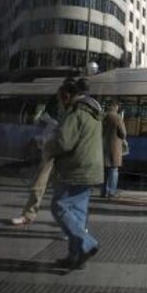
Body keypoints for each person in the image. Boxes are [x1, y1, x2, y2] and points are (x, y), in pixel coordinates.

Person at [45, 77, 103, 270]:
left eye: (60, 97)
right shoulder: (93, 112)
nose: (60, 101)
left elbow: (63, 142)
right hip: (91, 168)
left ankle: (87, 244)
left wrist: (45, 144)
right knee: (77, 213)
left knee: (59, 206)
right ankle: (75, 257)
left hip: (75, 168)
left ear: (66, 95)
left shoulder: (76, 112)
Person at [11, 94, 63, 226]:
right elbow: (47, 136)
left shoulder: (69, 116)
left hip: (63, 157)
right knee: (38, 186)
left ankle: (69, 222)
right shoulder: (54, 119)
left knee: (63, 191)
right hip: (49, 156)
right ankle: (28, 215)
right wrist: (41, 140)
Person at [102, 101, 127, 198]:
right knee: (113, 170)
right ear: (115, 107)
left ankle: (103, 191)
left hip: (103, 147)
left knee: (104, 171)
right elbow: (123, 133)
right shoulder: (117, 117)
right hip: (114, 148)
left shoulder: (102, 116)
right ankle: (111, 192)